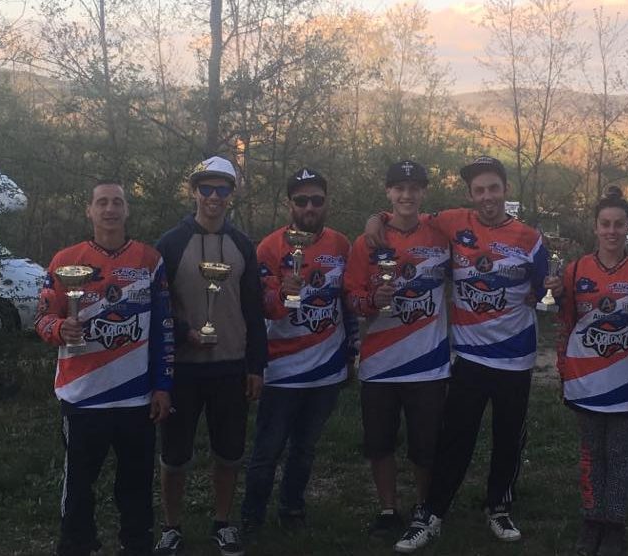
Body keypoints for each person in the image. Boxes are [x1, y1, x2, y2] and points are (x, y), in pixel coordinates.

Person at [365, 155, 549, 553]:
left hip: (515, 357)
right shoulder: (451, 222)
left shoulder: (530, 238)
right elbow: (405, 215)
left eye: (493, 188)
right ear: (470, 195)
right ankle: (431, 513)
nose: (487, 196)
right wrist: (375, 219)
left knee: (508, 439)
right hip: (468, 356)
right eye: (479, 190)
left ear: (505, 190)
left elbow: (544, 288)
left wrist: (548, 293)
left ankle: (499, 507)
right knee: (454, 439)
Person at [36, 181, 174, 556]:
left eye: (117, 202)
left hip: (136, 397)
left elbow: (164, 328)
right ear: (89, 210)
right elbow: (43, 317)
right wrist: (60, 329)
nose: (110, 209)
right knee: (79, 484)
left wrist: (163, 386)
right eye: (102, 203)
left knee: (136, 484)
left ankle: (137, 545)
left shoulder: (150, 260)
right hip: (83, 397)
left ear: (127, 210)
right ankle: (77, 545)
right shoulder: (65, 260)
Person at [544, 188, 628, 556]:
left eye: (619, 224)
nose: (612, 231)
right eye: (605, 224)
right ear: (595, 227)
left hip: (627, 379)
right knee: (591, 454)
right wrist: (556, 294)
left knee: (619, 455)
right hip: (586, 378)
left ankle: (614, 523)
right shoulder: (575, 269)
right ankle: (591, 519)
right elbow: (563, 317)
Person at [154, 156, 267, 556]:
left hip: (231, 365)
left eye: (222, 189)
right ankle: (171, 527)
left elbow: (253, 308)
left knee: (229, 451)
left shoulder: (243, 245)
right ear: (193, 191)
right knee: (174, 454)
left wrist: (257, 365)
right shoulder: (170, 244)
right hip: (182, 368)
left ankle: (222, 522)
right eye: (206, 188)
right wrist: (183, 333)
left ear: (232, 194)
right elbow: (156, 307)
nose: (214, 197)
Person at [240, 167, 356, 539]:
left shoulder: (341, 244)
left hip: (326, 368)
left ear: (326, 203)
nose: (309, 207)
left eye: (316, 200)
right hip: (282, 369)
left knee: (305, 448)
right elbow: (258, 308)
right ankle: (252, 516)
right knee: (267, 449)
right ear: (289, 204)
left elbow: (347, 302)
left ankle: (292, 508)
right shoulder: (269, 247)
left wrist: (351, 352)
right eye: (301, 200)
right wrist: (281, 294)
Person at [344, 161, 451, 537]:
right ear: (388, 192)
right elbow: (351, 297)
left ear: (424, 192)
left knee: (427, 445)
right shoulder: (367, 242)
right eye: (399, 188)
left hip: (428, 362)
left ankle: (425, 507)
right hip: (379, 363)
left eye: (414, 188)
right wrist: (372, 300)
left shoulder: (441, 235)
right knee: (379, 444)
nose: (407, 195)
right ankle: (388, 509)